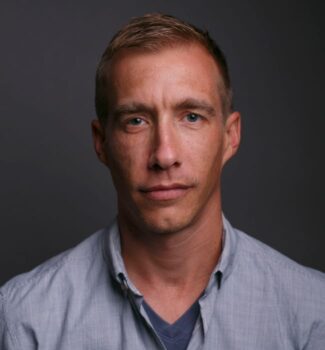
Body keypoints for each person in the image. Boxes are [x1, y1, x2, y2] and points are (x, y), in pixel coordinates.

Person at [1, 13, 324, 350]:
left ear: (230, 136)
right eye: (136, 121)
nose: (164, 155)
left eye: (192, 117)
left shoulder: (313, 315)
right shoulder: (25, 319)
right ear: (102, 143)